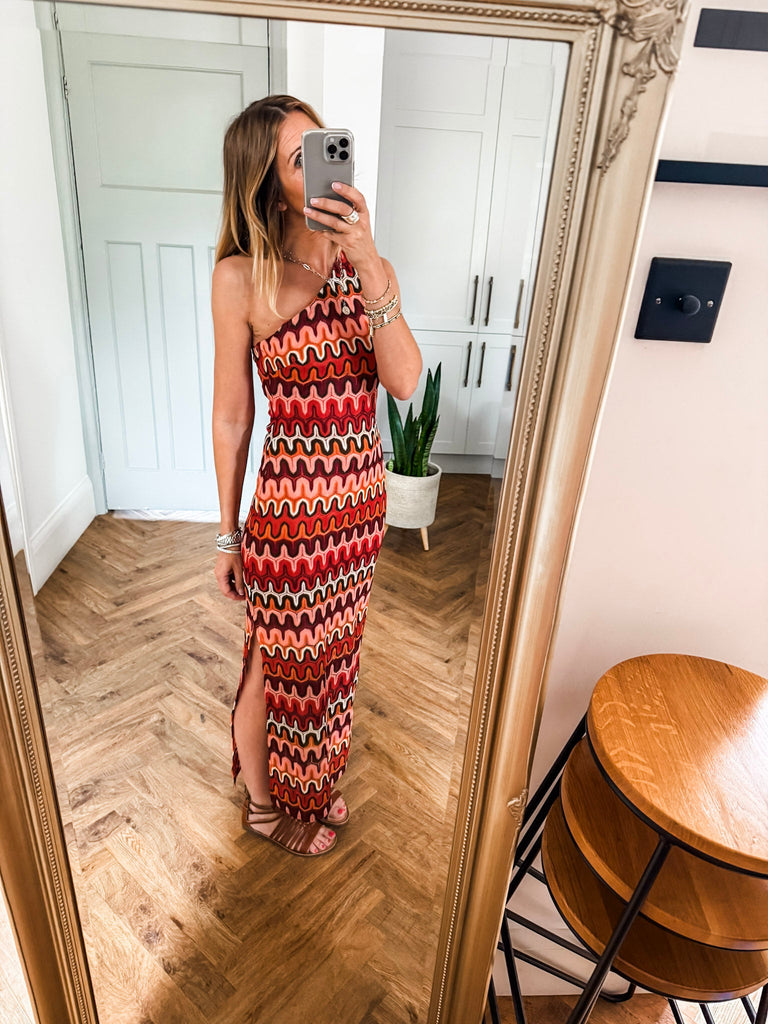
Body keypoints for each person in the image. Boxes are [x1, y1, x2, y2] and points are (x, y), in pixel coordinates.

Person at [211, 95, 422, 857]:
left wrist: (368, 264)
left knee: (334, 663)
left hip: (359, 514)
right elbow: (232, 417)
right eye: (300, 160)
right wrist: (227, 536)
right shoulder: (241, 277)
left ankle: (313, 782)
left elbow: (404, 382)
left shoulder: (370, 270)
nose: (326, 169)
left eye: (325, 147)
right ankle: (266, 803)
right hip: (290, 521)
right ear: (269, 187)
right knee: (275, 666)